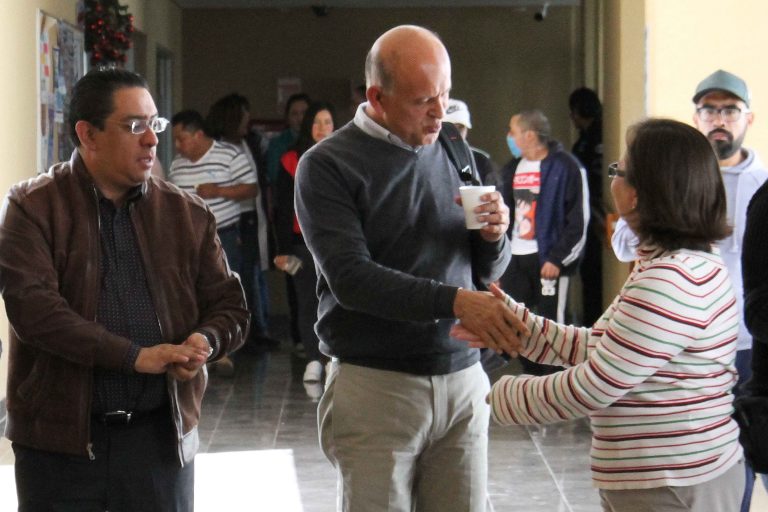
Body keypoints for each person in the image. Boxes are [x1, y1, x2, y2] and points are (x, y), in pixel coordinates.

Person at [456, 119, 745, 512]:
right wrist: (519, 326)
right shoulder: (680, 264)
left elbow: (596, 384)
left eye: (618, 171)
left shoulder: (670, 279)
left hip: (671, 482)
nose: (613, 181)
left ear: (640, 195)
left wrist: (488, 395)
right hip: (667, 476)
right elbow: (606, 347)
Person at [294, 25, 526, 511]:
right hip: (378, 383)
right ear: (377, 96)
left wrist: (494, 235)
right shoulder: (329, 164)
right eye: (424, 100)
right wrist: (457, 302)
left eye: (445, 94)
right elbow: (353, 279)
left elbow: (489, 270)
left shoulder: (462, 155)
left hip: (463, 380)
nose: (441, 112)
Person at [0, 68, 249, 511]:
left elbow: (230, 305)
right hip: (60, 445)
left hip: (158, 443)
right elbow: (36, 314)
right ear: (88, 135)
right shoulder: (32, 208)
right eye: (134, 126)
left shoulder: (185, 214)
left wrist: (205, 342)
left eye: (154, 124)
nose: (152, 139)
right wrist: (135, 357)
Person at [614, 70, 768, 509]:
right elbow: (627, 245)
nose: (719, 119)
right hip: (693, 346)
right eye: (709, 110)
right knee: (714, 465)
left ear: (748, 118)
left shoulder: (763, 183)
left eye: (729, 110)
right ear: (696, 116)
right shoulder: (670, 178)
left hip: (753, 344)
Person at [499, 109, 588, 374]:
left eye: (512, 132)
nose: (509, 137)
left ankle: (559, 378)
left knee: (553, 323)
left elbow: (578, 222)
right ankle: (531, 371)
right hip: (516, 258)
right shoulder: (511, 169)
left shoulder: (567, 167)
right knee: (514, 316)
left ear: (529, 135)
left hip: (547, 261)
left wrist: (557, 258)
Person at [169, 109, 257, 375]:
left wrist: (218, 191)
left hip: (225, 235)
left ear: (198, 135)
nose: (177, 145)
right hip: (186, 240)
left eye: (181, 138)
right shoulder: (177, 164)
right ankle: (200, 347)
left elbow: (251, 188)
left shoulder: (229, 155)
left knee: (224, 294)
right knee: (192, 293)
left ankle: (224, 349)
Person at [206, 93, 279, 352]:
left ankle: (260, 328)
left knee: (255, 273)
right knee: (241, 275)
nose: (247, 124)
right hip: (233, 218)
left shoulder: (251, 143)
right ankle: (245, 334)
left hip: (253, 217)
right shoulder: (217, 148)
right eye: (243, 120)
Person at [274, 101, 336, 387]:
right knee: (306, 302)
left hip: (336, 244)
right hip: (300, 245)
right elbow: (281, 208)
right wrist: (281, 251)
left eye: (327, 122)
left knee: (338, 303)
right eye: (316, 122)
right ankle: (313, 359)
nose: (322, 129)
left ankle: (334, 359)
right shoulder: (290, 160)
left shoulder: (345, 157)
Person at [569, 87, 605, 325]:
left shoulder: (592, 141)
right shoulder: (601, 134)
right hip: (595, 215)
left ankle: (594, 325)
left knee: (593, 275)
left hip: (595, 217)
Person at [443, 98, 499, 186]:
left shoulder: (481, 161)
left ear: (467, 129)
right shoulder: (424, 159)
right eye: (449, 128)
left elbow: (495, 192)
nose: (455, 133)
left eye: (460, 127)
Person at [265, 92, 311, 185]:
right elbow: (274, 175)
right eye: (294, 114)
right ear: (288, 118)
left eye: (304, 113)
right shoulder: (277, 143)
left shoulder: (319, 140)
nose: (300, 118)